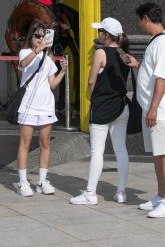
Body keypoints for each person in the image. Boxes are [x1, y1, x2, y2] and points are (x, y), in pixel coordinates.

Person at [70, 17, 130, 205]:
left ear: (105, 35)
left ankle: (90, 193)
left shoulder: (101, 53)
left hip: (103, 107)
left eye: (100, 31)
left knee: (97, 151)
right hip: (121, 106)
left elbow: (91, 81)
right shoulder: (124, 54)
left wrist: (93, 96)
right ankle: (121, 191)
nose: (98, 34)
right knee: (121, 149)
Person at [123, 3, 165, 218]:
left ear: (146, 18)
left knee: (163, 155)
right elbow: (152, 72)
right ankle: (160, 196)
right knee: (158, 155)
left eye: (140, 20)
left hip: (159, 110)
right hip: (153, 109)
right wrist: (138, 65)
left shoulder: (163, 43)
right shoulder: (155, 42)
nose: (140, 24)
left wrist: (154, 108)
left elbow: (162, 78)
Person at [16, 22, 68, 196]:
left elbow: (52, 84)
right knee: (25, 143)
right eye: (36, 36)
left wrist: (62, 72)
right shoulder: (26, 52)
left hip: (46, 105)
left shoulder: (49, 58)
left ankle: (42, 180)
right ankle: (23, 182)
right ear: (31, 37)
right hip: (28, 106)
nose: (39, 39)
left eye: (42, 36)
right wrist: (37, 50)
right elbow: (23, 64)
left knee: (45, 143)